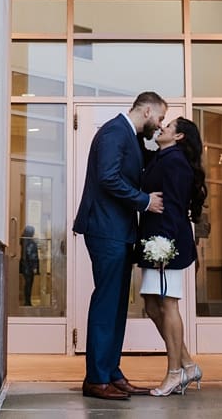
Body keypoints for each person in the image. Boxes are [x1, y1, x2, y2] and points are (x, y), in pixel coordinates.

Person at [72, 92, 168, 401]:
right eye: (161, 118)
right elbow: (108, 178)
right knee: (106, 304)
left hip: (119, 232)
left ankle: (111, 373)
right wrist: (144, 201)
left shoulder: (132, 137)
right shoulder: (114, 131)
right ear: (148, 110)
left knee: (116, 307)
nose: (160, 124)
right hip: (105, 230)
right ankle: (96, 379)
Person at [137, 117, 208, 397]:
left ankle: (174, 373)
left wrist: (164, 246)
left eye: (167, 127)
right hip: (154, 241)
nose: (161, 128)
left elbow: (175, 207)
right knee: (152, 305)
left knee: (168, 305)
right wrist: (147, 124)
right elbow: (142, 150)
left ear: (178, 137)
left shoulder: (175, 162)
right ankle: (188, 365)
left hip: (166, 244)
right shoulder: (162, 157)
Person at [19, 225, 40, 306]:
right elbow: (32, 256)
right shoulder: (31, 243)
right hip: (29, 268)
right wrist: (34, 267)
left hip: (24, 266)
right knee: (29, 285)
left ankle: (27, 301)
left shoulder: (23, 242)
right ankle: (27, 302)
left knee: (27, 285)